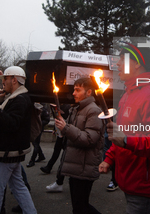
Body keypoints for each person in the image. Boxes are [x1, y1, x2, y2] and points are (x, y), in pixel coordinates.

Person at [99, 46, 150, 214]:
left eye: (122, 60)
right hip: (129, 183)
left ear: (136, 64)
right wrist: (109, 158)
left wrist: (127, 140)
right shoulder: (128, 94)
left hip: (147, 189)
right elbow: (121, 134)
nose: (117, 65)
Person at [0, 66, 36, 214]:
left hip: (6, 153)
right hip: (10, 152)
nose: (3, 82)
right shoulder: (17, 97)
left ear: (14, 80)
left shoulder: (20, 99)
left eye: (5, 78)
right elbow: (7, 120)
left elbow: (11, 124)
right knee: (19, 187)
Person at [54, 77, 104, 214]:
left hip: (84, 166)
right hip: (76, 165)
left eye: (77, 90)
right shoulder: (77, 109)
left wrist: (66, 128)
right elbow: (71, 132)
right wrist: (62, 124)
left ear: (89, 92)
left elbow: (89, 139)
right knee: (79, 207)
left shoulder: (93, 111)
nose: (74, 93)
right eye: (73, 89)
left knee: (81, 207)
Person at [40, 103, 71, 174]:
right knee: (57, 151)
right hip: (60, 133)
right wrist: (55, 129)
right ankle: (49, 167)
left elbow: (66, 119)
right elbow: (57, 119)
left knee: (63, 152)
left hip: (64, 133)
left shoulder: (67, 106)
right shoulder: (59, 106)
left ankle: (52, 168)